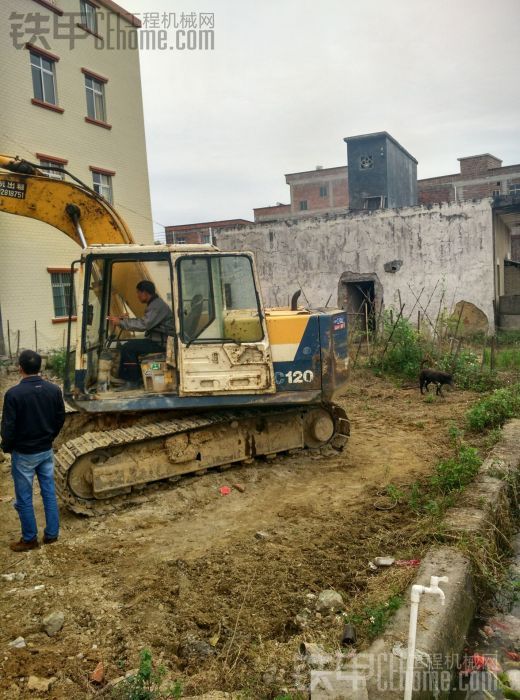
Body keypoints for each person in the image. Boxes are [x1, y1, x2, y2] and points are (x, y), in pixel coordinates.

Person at [1, 350, 65, 552]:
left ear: (20, 368)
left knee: (25, 498)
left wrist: (7, 447)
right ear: (40, 367)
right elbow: (60, 418)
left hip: (24, 454)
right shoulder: (54, 390)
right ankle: (52, 534)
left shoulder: (13, 394)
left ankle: (29, 539)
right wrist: (49, 437)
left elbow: (8, 428)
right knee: (48, 492)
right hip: (45, 451)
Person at [107, 280, 174, 390]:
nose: (137, 296)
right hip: (157, 339)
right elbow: (145, 321)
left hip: (161, 343)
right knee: (129, 345)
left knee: (128, 348)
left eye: (138, 293)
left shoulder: (156, 306)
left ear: (145, 293)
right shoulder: (155, 304)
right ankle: (134, 378)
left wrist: (121, 323)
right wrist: (126, 320)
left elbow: (144, 325)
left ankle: (132, 382)